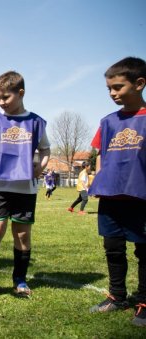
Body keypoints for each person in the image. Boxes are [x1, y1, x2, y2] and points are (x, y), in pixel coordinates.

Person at [0, 71, 51, 303]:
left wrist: (41, 166)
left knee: (23, 236)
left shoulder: (36, 122)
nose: (1, 102)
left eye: (6, 97)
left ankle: (20, 280)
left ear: (21, 93)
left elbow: (45, 149)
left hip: (26, 188)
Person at [87, 57, 146, 327]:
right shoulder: (108, 121)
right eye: (109, 88)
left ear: (140, 83)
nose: (112, 93)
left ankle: (144, 301)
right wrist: (100, 176)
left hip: (140, 196)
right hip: (111, 196)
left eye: (118, 87)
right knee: (113, 247)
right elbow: (100, 153)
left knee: (144, 250)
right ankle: (118, 296)